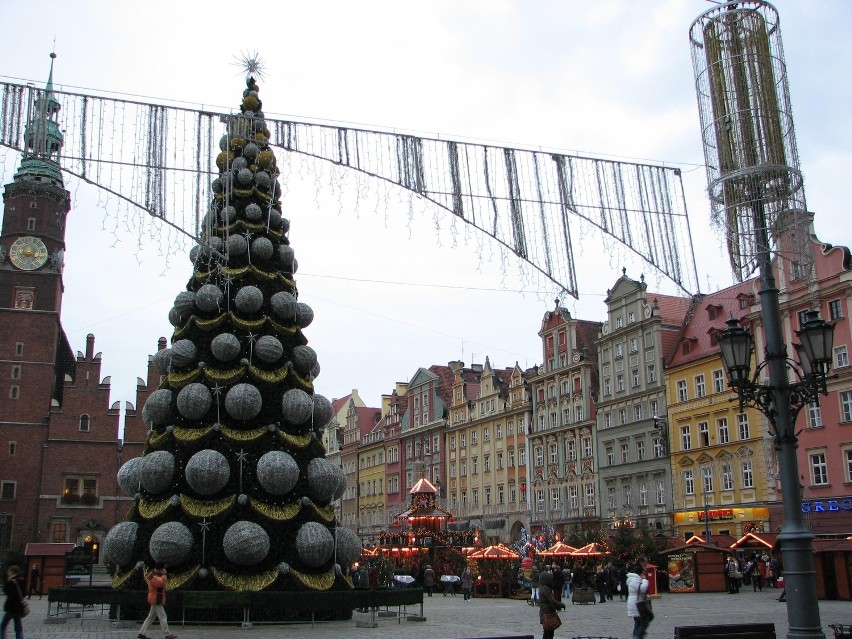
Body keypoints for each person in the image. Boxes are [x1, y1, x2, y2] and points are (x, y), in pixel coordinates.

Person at [137, 562, 177, 639]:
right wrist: (165, 575)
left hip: (155, 598)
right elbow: (160, 583)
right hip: (156, 599)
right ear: (161, 569)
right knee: (163, 616)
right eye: (163, 569)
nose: (164, 570)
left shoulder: (154, 574)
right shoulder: (153, 575)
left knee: (150, 617)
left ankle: (141, 633)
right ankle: (167, 634)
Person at [626, 561, 651, 639]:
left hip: (634, 603)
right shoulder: (635, 579)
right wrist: (645, 580)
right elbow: (641, 589)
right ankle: (637, 637)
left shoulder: (633, 579)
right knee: (643, 623)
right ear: (640, 573)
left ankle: (636, 636)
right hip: (637, 604)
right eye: (643, 573)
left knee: (638, 623)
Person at [538, 570, 566, 639]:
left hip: (543, 612)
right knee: (549, 633)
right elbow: (552, 601)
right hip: (548, 613)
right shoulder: (546, 589)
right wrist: (561, 605)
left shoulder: (541, 588)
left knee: (547, 631)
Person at [1, 565, 25, 639]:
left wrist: (8, 582)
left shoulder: (13, 581)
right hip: (18, 608)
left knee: (2, 626)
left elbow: (8, 592)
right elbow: (24, 593)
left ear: (13, 573)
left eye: (10, 572)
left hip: (11, 608)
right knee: (18, 628)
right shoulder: (22, 580)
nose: (8, 574)